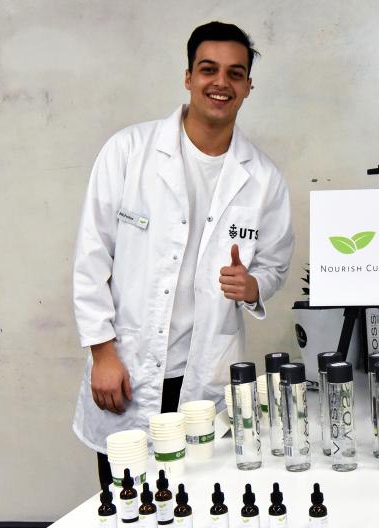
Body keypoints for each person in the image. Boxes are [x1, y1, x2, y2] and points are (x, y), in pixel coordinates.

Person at [72, 22, 294, 488]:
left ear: (249, 86)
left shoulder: (264, 178)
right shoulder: (129, 152)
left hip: (204, 379)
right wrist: (102, 354)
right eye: (208, 69)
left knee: (200, 499)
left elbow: (273, 264)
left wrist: (254, 286)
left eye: (236, 74)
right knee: (128, 502)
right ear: (188, 76)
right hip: (128, 367)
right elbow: (92, 258)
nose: (221, 83)